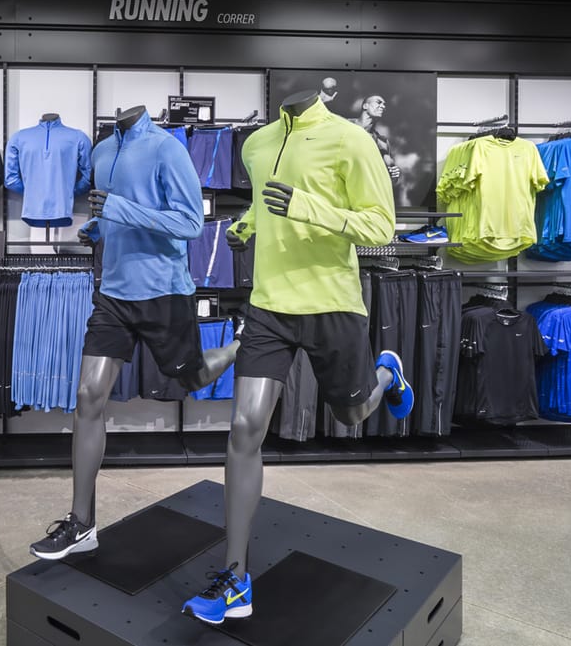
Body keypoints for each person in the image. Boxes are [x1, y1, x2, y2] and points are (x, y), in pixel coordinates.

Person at [181, 90, 415, 625]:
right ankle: (235, 580)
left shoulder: (350, 139)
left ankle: (387, 372)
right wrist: (246, 226)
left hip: (332, 303)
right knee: (244, 429)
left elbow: (381, 226)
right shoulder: (257, 144)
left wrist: (308, 207)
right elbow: (266, 204)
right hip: (269, 305)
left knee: (351, 414)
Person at [29, 105, 240, 560]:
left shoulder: (167, 148)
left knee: (193, 378)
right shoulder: (103, 150)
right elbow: (115, 217)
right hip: (113, 295)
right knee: (88, 396)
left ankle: (238, 345)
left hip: (164, 292)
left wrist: (121, 209)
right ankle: (81, 524)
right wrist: (98, 228)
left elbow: (190, 223)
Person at [351, 95, 400, 181]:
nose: (383, 106)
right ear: (365, 106)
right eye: (378, 102)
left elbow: (389, 168)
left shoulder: (383, 142)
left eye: (384, 104)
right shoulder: (345, 124)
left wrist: (394, 174)